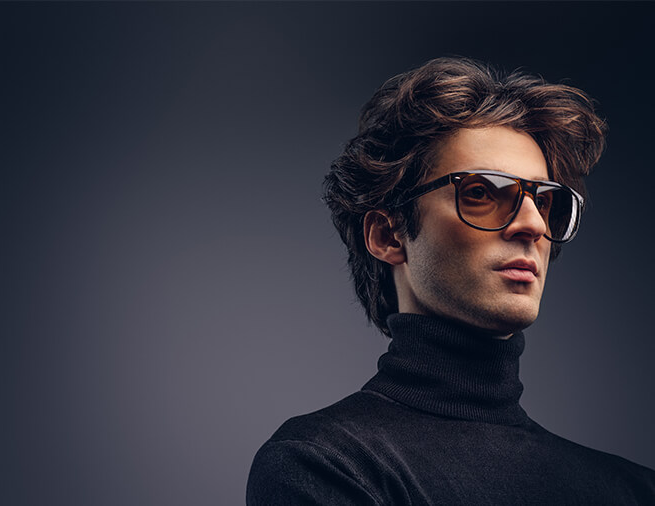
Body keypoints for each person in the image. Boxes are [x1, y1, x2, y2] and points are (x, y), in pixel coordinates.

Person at [246, 57, 655, 505]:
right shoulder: (323, 463)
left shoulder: (634, 489)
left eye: (543, 201)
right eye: (480, 192)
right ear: (387, 235)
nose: (534, 225)